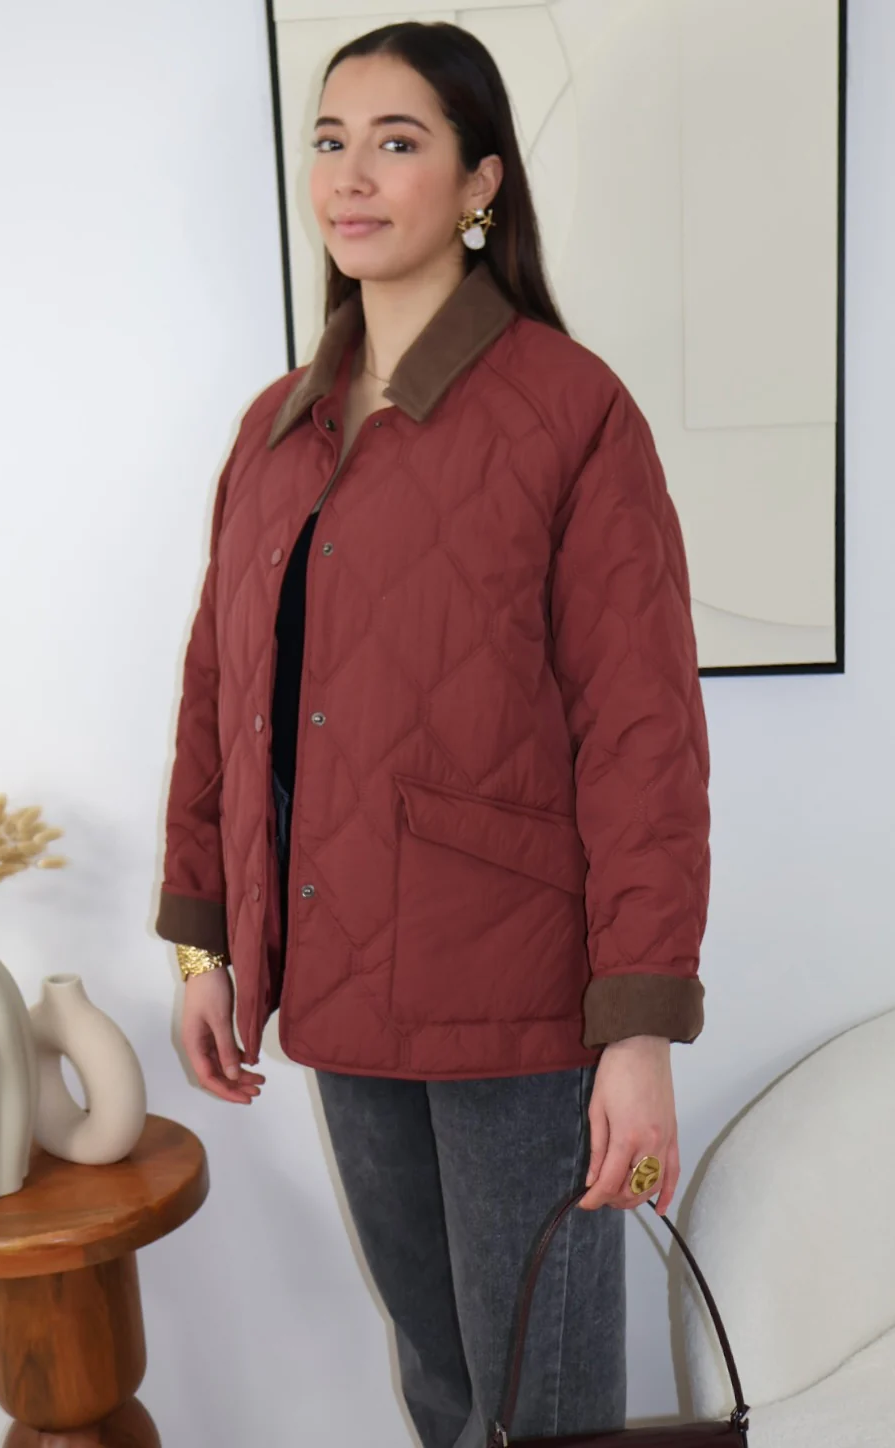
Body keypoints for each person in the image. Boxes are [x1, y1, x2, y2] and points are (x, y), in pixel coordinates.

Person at [154, 20, 710, 1446]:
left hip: (519, 1003)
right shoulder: (275, 430)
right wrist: (206, 946)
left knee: (546, 1405)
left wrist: (639, 1033)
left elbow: (642, 736)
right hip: (342, 977)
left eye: (395, 142)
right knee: (443, 1385)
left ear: (479, 182)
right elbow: (220, 696)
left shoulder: (572, 413)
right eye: (330, 142)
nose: (350, 176)